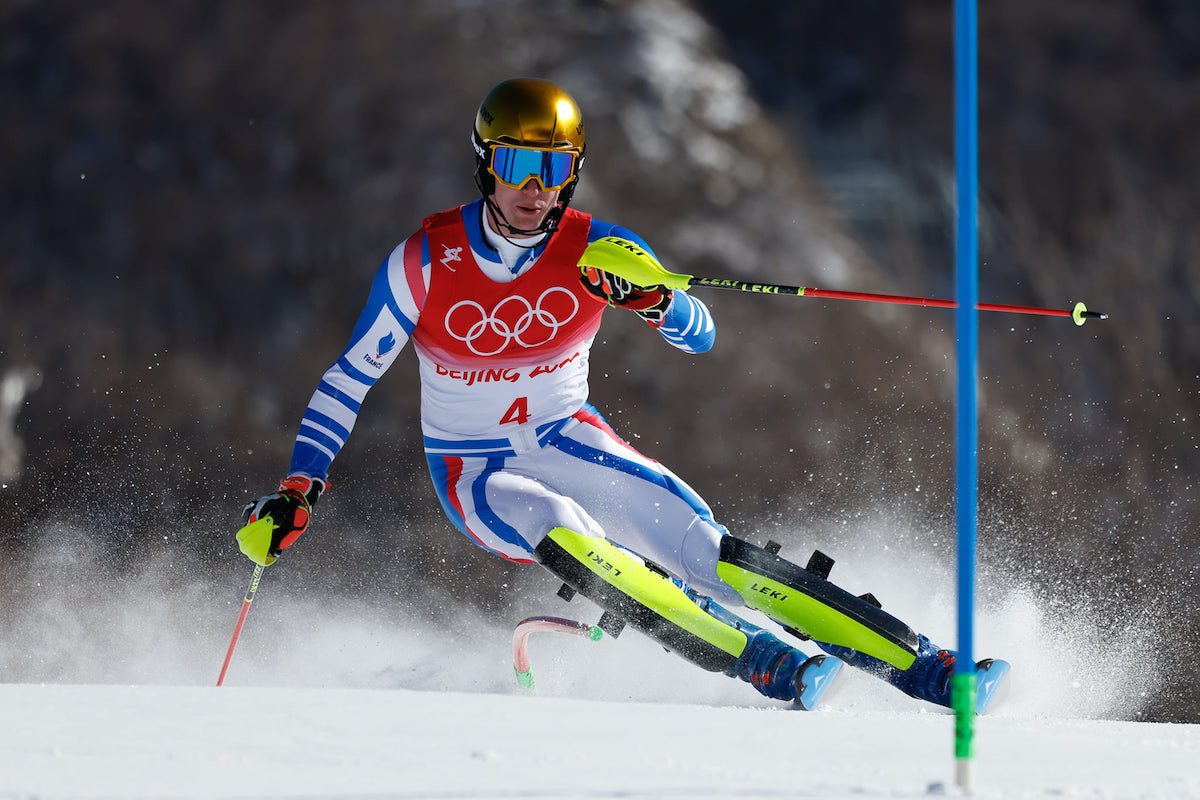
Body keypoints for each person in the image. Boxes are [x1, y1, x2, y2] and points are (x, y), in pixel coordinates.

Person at [239, 77, 1007, 711]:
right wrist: (299, 486)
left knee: (714, 555)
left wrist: (652, 301)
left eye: (554, 169)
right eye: (516, 165)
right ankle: (763, 663)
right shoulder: (424, 261)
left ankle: (931, 668)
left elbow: (701, 331)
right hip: (473, 470)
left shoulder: (596, 247)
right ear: (485, 165)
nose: (535, 191)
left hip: (569, 436)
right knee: (559, 526)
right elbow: (349, 379)